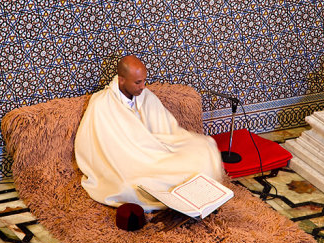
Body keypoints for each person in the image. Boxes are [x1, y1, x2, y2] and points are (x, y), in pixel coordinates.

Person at [74, 55, 223, 211]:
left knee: (205, 147)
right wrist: (136, 154)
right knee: (127, 188)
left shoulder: (145, 96)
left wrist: (159, 149)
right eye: (138, 82)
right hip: (127, 163)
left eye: (144, 81)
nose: (143, 86)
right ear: (122, 80)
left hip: (157, 152)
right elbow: (93, 147)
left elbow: (167, 130)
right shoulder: (101, 104)